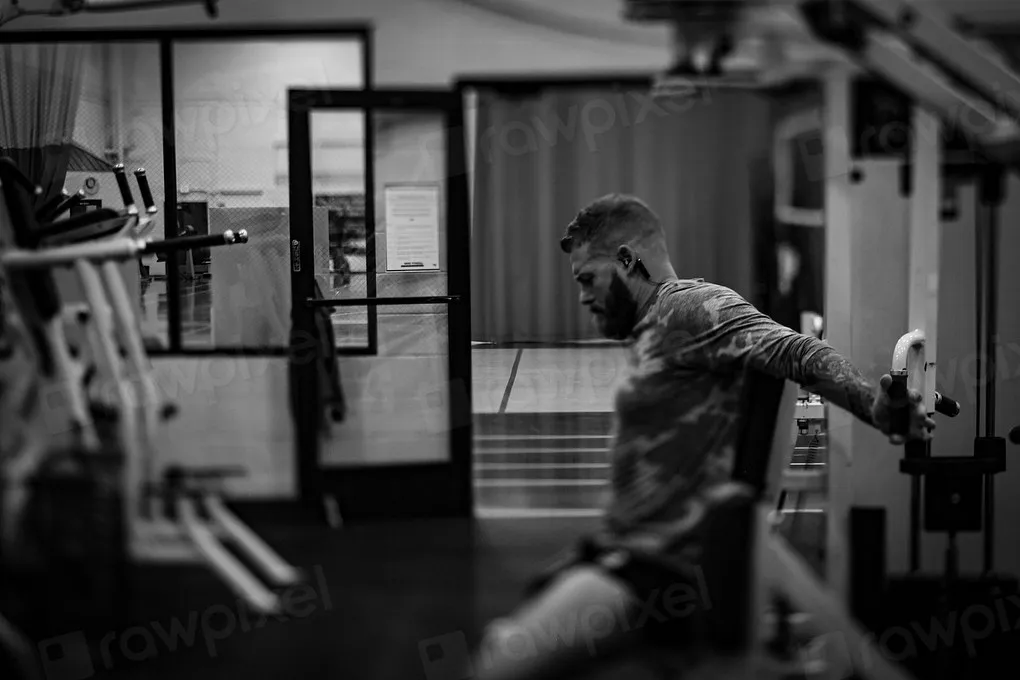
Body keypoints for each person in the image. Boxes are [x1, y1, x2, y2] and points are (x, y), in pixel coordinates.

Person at [468, 194, 934, 680]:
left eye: (589, 279)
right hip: (630, 556)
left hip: (661, 571)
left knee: (496, 667)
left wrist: (874, 405)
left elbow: (797, 351)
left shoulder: (690, 307)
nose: (583, 297)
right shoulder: (652, 324)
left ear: (627, 260)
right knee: (506, 636)